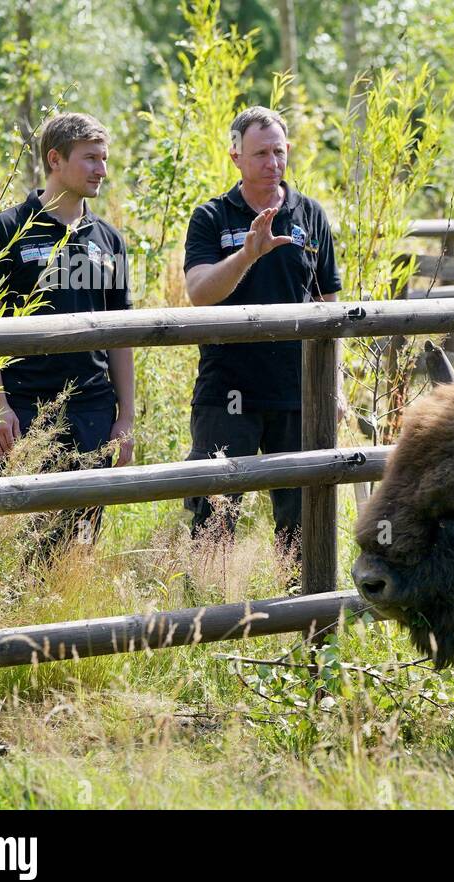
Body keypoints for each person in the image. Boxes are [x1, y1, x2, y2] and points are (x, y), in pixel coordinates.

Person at [0, 112, 135, 556]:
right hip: (21, 409)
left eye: (104, 158)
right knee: (3, 542)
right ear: (55, 159)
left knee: (76, 545)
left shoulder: (110, 241)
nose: (101, 169)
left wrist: (126, 418)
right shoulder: (5, 231)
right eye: (90, 159)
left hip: (92, 409)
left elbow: (122, 335)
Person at [182, 106, 342, 550]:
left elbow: (330, 304)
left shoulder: (310, 214)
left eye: (278, 152)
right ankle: (208, 611)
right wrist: (247, 254)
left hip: (298, 391)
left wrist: (336, 388)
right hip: (227, 391)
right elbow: (199, 292)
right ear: (235, 156)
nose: (272, 163)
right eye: (260, 154)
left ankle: (307, 613)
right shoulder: (212, 217)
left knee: (302, 519)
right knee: (213, 515)